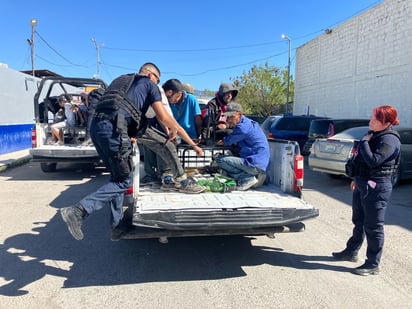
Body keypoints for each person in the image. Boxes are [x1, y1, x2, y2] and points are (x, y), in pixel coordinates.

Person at [60, 62, 206, 241]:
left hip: (98, 129)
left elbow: (122, 108)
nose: (157, 85)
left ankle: (116, 227)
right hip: (116, 129)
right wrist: (172, 129)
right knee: (123, 181)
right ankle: (78, 211)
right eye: (157, 80)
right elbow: (163, 116)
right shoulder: (149, 84)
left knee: (116, 178)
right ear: (152, 76)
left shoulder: (121, 80)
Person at [332, 105, 401, 276]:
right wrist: (356, 178)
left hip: (377, 188)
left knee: (373, 226)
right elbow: (361, 160)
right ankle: (351, 251)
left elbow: (374, 161)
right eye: (372, 117)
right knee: (359, 221)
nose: (371, 121)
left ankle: (372, 264)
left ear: (387, 123)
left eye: (376, 119)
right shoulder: (373, 134)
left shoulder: (389, 140)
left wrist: (363, 142)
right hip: (362, 184)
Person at [215, 102, 269, 191]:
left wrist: (209, 141)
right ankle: (254, 176)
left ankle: (247, 178)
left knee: (219, 159)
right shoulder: (247, 123)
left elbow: (225, 142)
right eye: (227, 117)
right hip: (260, 163)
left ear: (239, 114)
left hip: (254, 163)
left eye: (231, 117)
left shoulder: (242, 128)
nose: (228, 120)